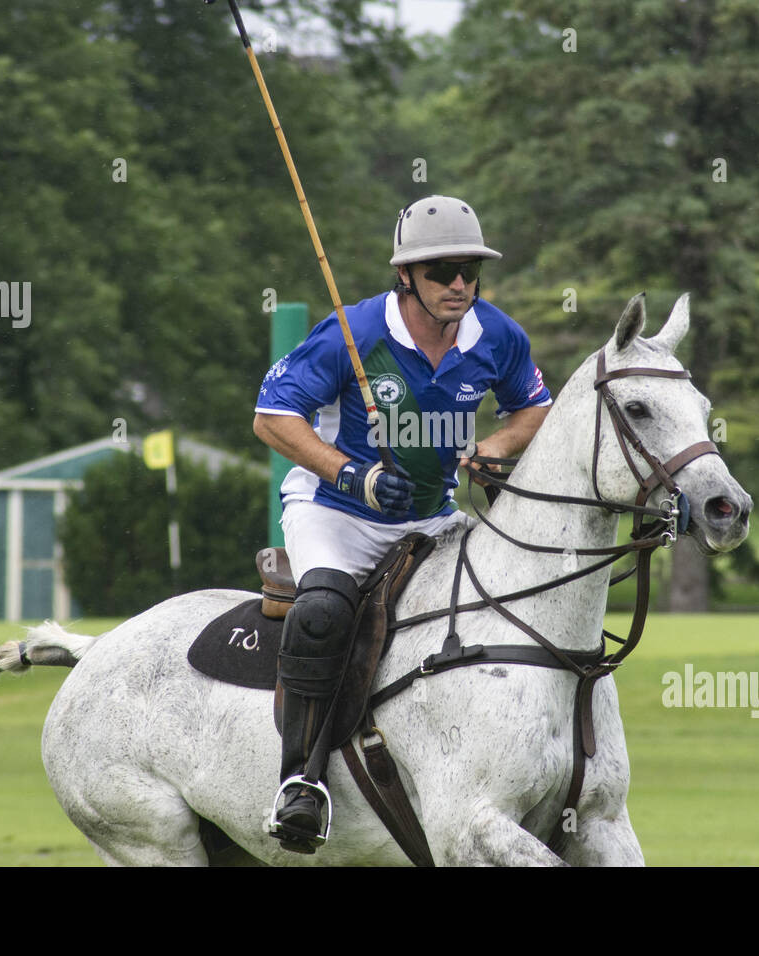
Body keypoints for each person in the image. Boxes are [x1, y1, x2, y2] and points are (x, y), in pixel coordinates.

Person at [252, 195, 552, 853]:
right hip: (336, 514)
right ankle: (301, 782)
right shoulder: (353, 333)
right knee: (326, 608)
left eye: (470, 270)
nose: (459, 285)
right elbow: (272, 418)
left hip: (433, 518)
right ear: (406, 276)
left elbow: (535, 409)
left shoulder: (496, 336)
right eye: (443, 270)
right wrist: (348, 473)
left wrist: (492, 449)